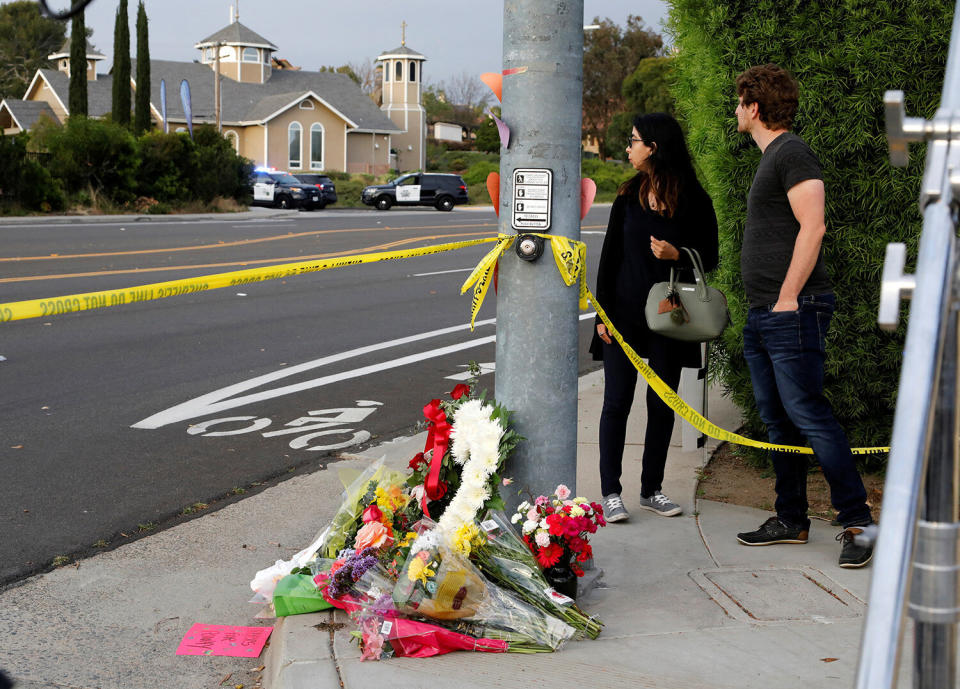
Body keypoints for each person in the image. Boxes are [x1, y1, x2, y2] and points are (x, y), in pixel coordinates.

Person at [732, 64, 874, 568]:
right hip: (764, 313)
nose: (736, 110)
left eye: (739, 101)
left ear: (754, 105)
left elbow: (813, 226)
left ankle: (859, 522)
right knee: (777, 420)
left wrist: (789, 296)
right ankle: (790, 518)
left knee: (808, 413)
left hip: (791, 310)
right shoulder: (773, 157)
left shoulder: (792, 152)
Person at [590, 112, 719, 523]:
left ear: (654, 147)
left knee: (661, 403)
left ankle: (652, 489)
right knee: (617, 403)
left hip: (670, 316)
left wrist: (677, 254)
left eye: (634, 141)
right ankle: (611, 491)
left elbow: (711, 257)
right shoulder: (627, 196)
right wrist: (601, 317)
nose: (628, 148)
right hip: (623, 315)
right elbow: (609, 260)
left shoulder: (693, 197)